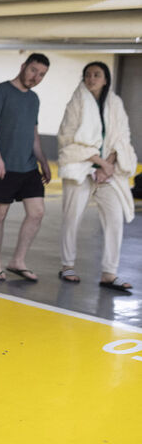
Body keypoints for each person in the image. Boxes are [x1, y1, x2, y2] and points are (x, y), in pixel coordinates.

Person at [57, 62, 137, 291]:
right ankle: (67, 265)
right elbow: (67, 139)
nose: (91, 78)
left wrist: (107, 165)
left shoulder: (115, 103)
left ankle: (109, 273)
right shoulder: (75, 104)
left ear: (105, 79)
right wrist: (99, 163)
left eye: (96, 75)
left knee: (115, 217)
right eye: (87, 75)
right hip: (80, 167)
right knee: (72, 217)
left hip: (109, 171)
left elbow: (122, 137)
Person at [0, 53, 52, 282]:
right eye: (33, 70)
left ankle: (17, 261)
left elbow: (33, 134)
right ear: (23, 66)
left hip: (28, 166)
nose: (36, 77)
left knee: (37, 212)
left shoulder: (34, 99)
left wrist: (43, 160)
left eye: (41, 74)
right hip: (3, 165)